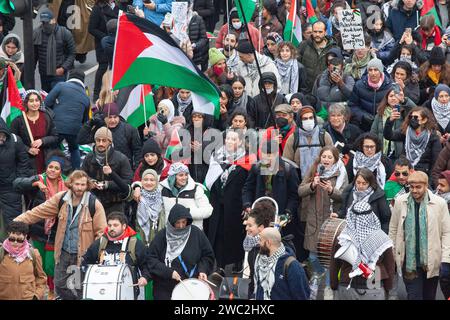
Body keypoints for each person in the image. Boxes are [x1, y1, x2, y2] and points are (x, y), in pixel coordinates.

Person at [14, 170, 107, 300]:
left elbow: (101, 232)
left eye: (83, 184)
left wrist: (96, 255)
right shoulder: (61, 199)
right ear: (70, 184)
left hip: (82, 255)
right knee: (60, 287)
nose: (80, 188)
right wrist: (16, 222)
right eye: (77, 184)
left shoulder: (94, 204)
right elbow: (38, 212)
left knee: (78, 290)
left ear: (87, 185)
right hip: (63, 253)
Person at [12, 151, 67, 299]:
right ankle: (45, 289)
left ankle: (53, 290)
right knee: (40, 263)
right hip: (39, 229)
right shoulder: (39, 179)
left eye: (56, 168)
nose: (52, 170)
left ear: (61, 171)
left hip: (56, 230)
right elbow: (16, 184)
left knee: (51, 263)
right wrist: (35, 183)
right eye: (50, 167)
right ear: (46, 168)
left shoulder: (67, 183)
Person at [389, 171, 450, 300]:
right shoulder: (400, 202)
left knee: (429, 296)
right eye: (411, 187)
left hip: (432, 261)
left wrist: (445, 259)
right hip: (409, 262)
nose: (414, 190)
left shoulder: (439, 203)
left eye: (418, 187)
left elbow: (446, 233)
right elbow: (393, 229)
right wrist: (393, 255)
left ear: (426, 186)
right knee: (414, 296)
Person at [298, 146, 348, 300]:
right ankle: (318, 277)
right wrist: (313, 185)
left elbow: (345, 197)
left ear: (335, 159)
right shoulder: (314, 171)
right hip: (314, 220)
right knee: (313, 257)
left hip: (331, 224)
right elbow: (300, 191)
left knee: (330, 259)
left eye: (329, 157)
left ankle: (328, 290)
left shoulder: (341, 174)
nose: (326, 160)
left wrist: (332, 190)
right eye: (324, 157)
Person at [205, 129, 255, 271]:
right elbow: (210, 181)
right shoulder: (217, 157)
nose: (230, 142)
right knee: (217, 234)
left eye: (234, 139)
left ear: (240, 142)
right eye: (228, 139)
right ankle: (218, 265)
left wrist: (246, 204)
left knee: (233, 235)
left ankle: (236, 263)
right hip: (217, 205)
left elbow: (248, 185)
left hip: (235, 206)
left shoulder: (246, 160)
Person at [242, 140, 301, 256]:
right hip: (259, 213)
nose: (268, 158)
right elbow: (247, 188)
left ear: (277, 154)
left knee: (277, 247)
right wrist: (247, 205)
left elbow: (294, 195)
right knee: (256, 246)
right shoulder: (257, 167)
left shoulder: (288, 169)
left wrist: (288, 213)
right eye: (265, 154)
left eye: (271, 154)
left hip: (280, 216)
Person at [147, 203, 215, 300]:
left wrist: (202, 270)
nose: (181, 226)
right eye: (177, 222)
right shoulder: (162, 236)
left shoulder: (196, 233)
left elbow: (207, 255)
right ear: (171, 222)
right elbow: (151, 259)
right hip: (165, 287)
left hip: (191, 286)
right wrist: (169, 272)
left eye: (184, 222)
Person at [330, 201, 395, 300]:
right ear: (371, 216)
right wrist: (388, 288)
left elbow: (334, 265)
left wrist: (334, 285)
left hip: (347, 284)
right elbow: (389, 265)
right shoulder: (382, 238)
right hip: (374, 284)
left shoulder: (343, 237)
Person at [81, 212, 151, 299]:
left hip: (128, 293)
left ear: (124, 226)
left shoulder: (134, 243)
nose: (111, 228)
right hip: (102, 292)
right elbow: (85, 263)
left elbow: (147, 265)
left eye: (115, 225)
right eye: (109, 225)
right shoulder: (100, 243)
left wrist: (145, 277)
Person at [44, 69, 90, 170]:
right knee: (74, 149)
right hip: (74, 129)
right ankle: (76, 172)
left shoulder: (61, 86)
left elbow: (46, 103)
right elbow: (86, 120)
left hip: (57, 126)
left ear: (69, 77)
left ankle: (50, 171)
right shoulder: (86, 97)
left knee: (53, 148)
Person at [81, 127, 133, 216]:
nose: (101, 143)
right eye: (98, 140)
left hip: (115, 203)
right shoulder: (88, 158)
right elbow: (82, 177)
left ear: (110, 142)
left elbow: (127, 182)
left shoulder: (121, 158)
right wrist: (91, 182)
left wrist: (108, 183)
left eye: (104, 140)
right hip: (93, 201)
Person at [383, 107, 442, 183]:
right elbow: (389, 136)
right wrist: (390, 121)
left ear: (424, 120)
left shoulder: (433, 137)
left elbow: (435, 162)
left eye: (416, 117)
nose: (412, 119)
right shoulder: (405, 131)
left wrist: (430, 182)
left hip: (422, 174)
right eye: (411, 117)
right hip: (403, 172)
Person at [78, 102, 143, 170]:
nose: (112, 120)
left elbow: (137, 151)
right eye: (109, 117)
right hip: (103, 169)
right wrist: (90, 123)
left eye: (115, 117)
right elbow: (81, 140)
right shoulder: (100, 129)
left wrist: (135, 170)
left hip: (123, 169)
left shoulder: (129, 129)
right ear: (104, 117)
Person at [10, 90, 59, 174]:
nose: (35, 103)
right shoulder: (18, 121)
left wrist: (42, 141)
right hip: (27, 161)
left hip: (46, 157)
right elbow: (12, 141)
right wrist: (28, 149)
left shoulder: (47, 117)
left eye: (37, 100)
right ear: (26, 103)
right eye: (31, 101)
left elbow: (55, 136)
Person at [254, 227, 310, 300]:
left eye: (260, 240)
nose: (258, 243)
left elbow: (301, 296)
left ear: (268, 243)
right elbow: (258, 287)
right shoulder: (260, 260)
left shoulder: (292, 266)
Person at [283, 106, 333, 180]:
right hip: (298, 182)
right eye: (305, 119)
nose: (308, 120)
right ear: (300, 120)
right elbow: (287, 163)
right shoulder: (293, 138)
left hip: (322, 180)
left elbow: (333, 159)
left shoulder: (324, 136)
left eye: (311, 118)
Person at [0, 221, 47, 300]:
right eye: (12, 239)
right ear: (8, 235)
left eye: (19, 240)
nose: (15, 243)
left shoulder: (33, 254)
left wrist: (36, 296)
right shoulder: (1, 253)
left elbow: (41, 278)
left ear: (25, 237)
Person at [0, 118, 32, 230]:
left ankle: (13, 245)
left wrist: (18, 180)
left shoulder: (15, 140)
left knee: (13, 221)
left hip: (10, 188)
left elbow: (23, 161)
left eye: (2, 135)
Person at [160, 162, 213, 230]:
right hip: (171, 231)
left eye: (186, 175)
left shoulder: (196, 189)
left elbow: (208, 211)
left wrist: (188, 212)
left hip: (192, 231)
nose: (184, 178)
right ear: (173, 177)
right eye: (181, 175)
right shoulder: (163, 188)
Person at [33, 8, 75, 92]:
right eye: (43, 22)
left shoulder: (64, 33)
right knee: (46, 97)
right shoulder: (37, 33)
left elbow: (72, 54)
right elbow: (34, 55)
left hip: (59, 74)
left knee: (57, 97)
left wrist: (63, 68)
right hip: (44, 74)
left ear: (53, 20)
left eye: (47, 22)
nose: (45, 24)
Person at [338, 168, 392, 233]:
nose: (360, 186)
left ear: (370, 183)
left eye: (364, 183)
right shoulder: (349, 191)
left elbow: (385, 219)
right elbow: (343, 211)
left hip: (371, 233)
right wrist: (338, 215)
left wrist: (382, 236)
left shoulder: (379, 195)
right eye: (358, 182)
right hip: (350, 231)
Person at [243, 201, 276, 299]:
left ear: (261, 227)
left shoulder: (268, 249)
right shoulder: (253, 242)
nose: (246, 228)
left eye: (250, 225)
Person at [348, 58, 393, 128]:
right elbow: (352, 105)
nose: (373, 73)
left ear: (381, 71)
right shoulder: (359, 85)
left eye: (376, 70)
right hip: (363, 124)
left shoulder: (390, 86)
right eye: (370, 70)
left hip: (383, 125)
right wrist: (363, 115)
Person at [297, 20, 340, 93]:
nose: (317, 34)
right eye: (315, 31)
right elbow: (297, 67)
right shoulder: (303, 45)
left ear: (325, 32)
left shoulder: (334, 49)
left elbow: (338, 70)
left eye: (320, 32)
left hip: (325, 91)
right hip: (306, 90)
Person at [88, 0, 118, 102]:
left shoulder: (117, 7)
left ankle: (113, 93)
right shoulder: (97, 8)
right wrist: (105, 37)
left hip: (117, 42)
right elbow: (91, 28)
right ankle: (97, 94)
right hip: (103, 44)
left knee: (115, 67)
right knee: (103, 67)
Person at [132, 169, 165, 245]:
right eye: (145, 180)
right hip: (139, 236)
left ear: (156, 182)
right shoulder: (136, 195)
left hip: (157, 237)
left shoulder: (161, 196)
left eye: (152, 180)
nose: (148, 183)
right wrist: (136, 187)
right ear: (141, 181)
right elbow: (125, 188)